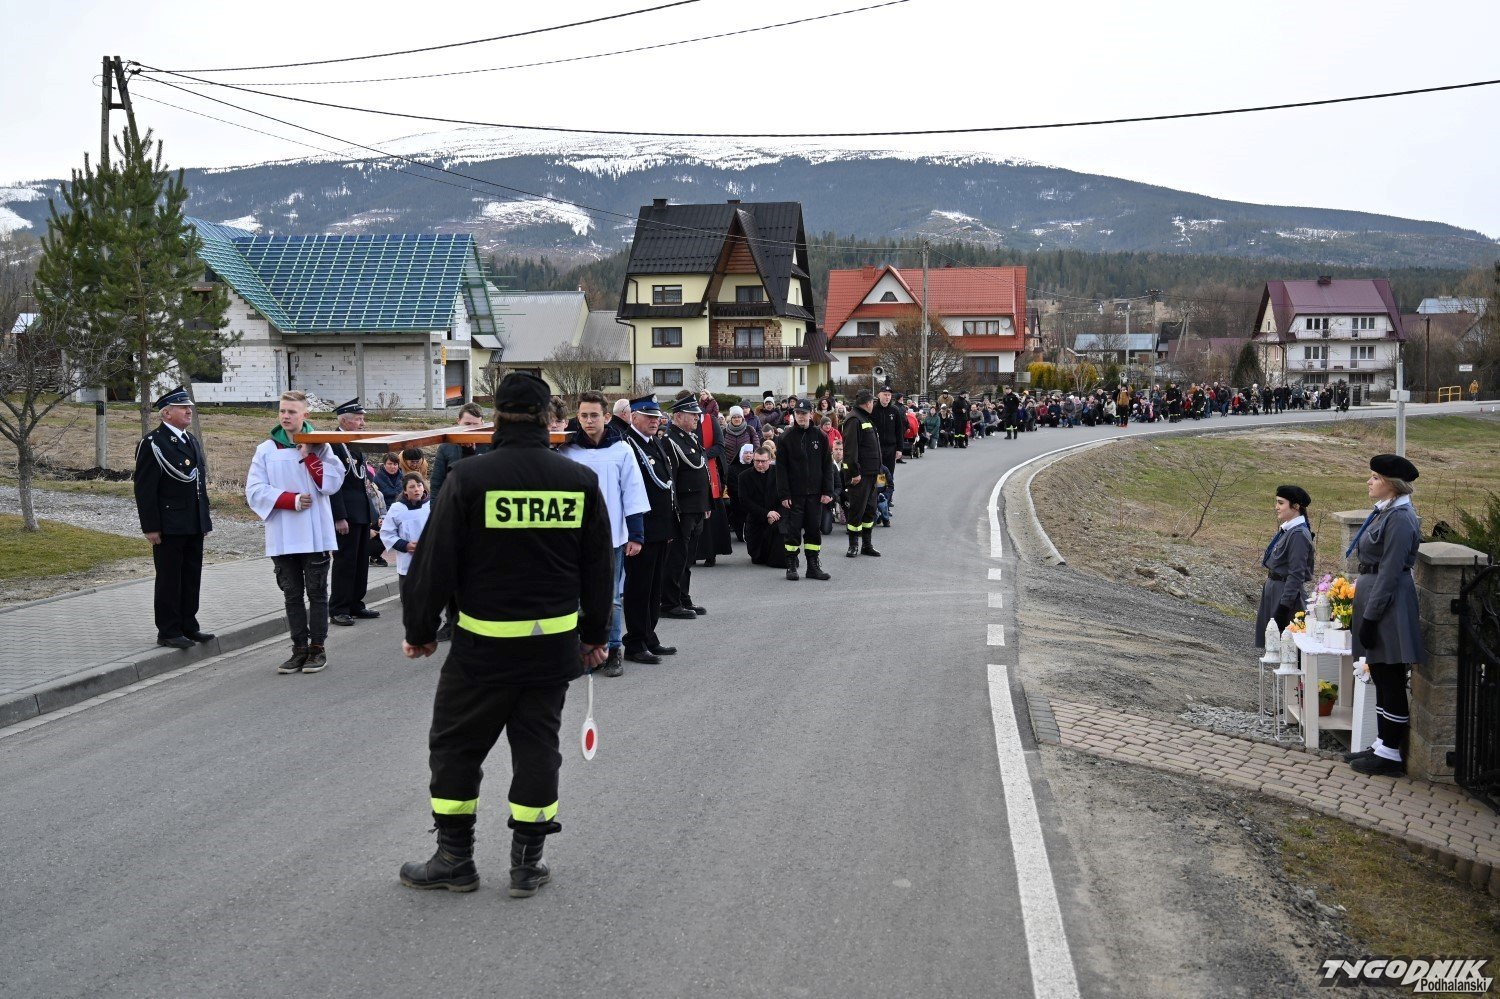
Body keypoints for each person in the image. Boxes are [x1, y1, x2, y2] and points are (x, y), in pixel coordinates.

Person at [397, 372, 611, 899]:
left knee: (455, 747)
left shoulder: (469, 479)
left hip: (482, 651)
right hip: (551, 651)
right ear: (548, 419)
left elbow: (435, 561)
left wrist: (420, 630)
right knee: (538, 749)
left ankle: (454, 859)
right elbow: (598, 568)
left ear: (495, 419)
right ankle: (527, 865)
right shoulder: (578, 481)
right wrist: (594, 635)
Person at [245, 390, 345, 675]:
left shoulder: (321, 446)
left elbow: (332, 483)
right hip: (283, 533)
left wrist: (309, 456)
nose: (286, 416)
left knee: (317, 593)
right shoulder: (266, 449)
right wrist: (290, 500)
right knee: (292, 595)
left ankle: (317, 648)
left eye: (292, 411)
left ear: (305, 415)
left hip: (314, 533)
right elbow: (254, 490)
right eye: (282, 411)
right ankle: (299, 649)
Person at [1346, 454, 1426, 777]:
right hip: (1377, 599)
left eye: (1376, 477)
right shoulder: (1387, 512)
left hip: (1389, 605)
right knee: (1380, 673)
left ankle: (1391, 753)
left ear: (1392, 485)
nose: (1369, 481)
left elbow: (1391, 572)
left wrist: (1371, 616)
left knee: (1390, 675)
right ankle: (1382, 744)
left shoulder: (1401, 518)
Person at [561, 391, 650, 678]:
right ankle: (587, 650)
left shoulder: (621, 450)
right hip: (574, 538)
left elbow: (632, 491)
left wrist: (636, 534)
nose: (589, 421)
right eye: (584, 415)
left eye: (594, 415)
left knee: (611, 597)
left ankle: (613, 650)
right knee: (577, 597)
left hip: (610, 537)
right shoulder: (567, 450)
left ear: (607, 417)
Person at [133, 387, 214, 650]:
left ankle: (189, 625)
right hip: (169, 524)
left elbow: (198, 483)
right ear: (166, 413)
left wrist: (203, 519)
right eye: (182, 407)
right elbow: (145, 489)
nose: (189, 411)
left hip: (192, 521)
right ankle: (168, 631)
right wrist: (151, 526)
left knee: (191, 576)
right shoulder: (153, 443)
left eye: (189, 407)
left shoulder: (190, 440)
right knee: (170, 579)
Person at [619, 395, 679, 665]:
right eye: (649, 417)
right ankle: (634, 642)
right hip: (643, 529)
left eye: (657, 417)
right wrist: (635, 533)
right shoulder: (628, 445)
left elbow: (666, 486)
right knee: (639, 588)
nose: (655, 421)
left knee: (654, 588)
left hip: (660, 528)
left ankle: (648, 635)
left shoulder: (653, 443)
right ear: (634, 417)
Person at [327, 399, 379, 627]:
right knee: (345, 562)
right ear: (345, 421)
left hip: (361, 510)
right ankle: (339, 608)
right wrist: (339, 516)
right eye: (358, 419)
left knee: (360, 561)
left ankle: (356, 603)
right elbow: (333, 484)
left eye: (362, 419)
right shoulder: (334, 444)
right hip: (347, 512)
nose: (362, 423)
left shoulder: (354, 442)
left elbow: (361, 479)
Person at [661, 394, 712, 618]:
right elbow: (671, 479)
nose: (697, 418)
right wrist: (675, 509)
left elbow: (702, 471)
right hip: (683, 508)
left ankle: (683, 597)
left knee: (688, 558)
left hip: (696, 506)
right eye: (693, 415)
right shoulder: (670, 440)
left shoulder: (690, 438)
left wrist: (706, 503)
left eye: (697, 415)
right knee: (677, 558)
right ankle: (670, 603)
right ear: (679, 416)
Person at [773, 398, 834, 581]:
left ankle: (813, 567)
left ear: (811, 414)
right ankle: (791, 565)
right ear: (794, 414)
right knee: (792, 531)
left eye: (804, 413)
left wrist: (828, 491)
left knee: (813, 530)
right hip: (794, 494)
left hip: (815, 494)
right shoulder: (786, 437)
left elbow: (827, 466)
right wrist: (784, 494)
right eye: (798, 413)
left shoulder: (820, 436)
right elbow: (781, 469)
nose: (801, 416)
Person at [1254, 485, 1315, 648]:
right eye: (1277, 502)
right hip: (1274, 589)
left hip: (1284, 594)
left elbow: (1296, 574)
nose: (1277, 507)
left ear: (1296, 506)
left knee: (1286, 649)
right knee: (1273, 648)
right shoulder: (1289, 530)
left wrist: (1284, 607)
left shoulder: (1298, 534)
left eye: (1281, 503)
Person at [379, 472, 432, 606]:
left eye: (419, 485)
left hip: (430, 556)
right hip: (408, 558)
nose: (416, 489)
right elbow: (386, 533)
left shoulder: (432, 505)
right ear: (405, 491)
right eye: (412, 487)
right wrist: (405, 545)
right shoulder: (397, 509)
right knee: (410, 602)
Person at [840, 389, 882, 558]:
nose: (873, 405)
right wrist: (854, 473)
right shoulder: (854, 419)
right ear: (867, 403)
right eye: (872, 402)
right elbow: (850, 450)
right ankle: (853, 545)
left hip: (872, 473)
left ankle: (867, 544)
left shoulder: (865, 418)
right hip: (860, 475)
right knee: (857, 510)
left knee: (870, 510)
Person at [737, 445, 785, 568]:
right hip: (756, 519)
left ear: (770, 460)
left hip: (777, 517)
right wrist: (766, 514)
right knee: (758, 559)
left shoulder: (779, 473)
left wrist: (774, 514)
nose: (759, 464)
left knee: (778, 556)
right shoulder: (744, 476)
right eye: (757, 461)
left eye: (763, 461)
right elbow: (745, 501)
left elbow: (785, 498)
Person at [429, 402, 491, 497]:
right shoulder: (446, 447)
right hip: (453, 500)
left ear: (482, 423)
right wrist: (434, 506)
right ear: (458, 421)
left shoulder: (491, 446)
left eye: (475, 424)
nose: (471, 428)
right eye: (467, 424)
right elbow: (437, 483)